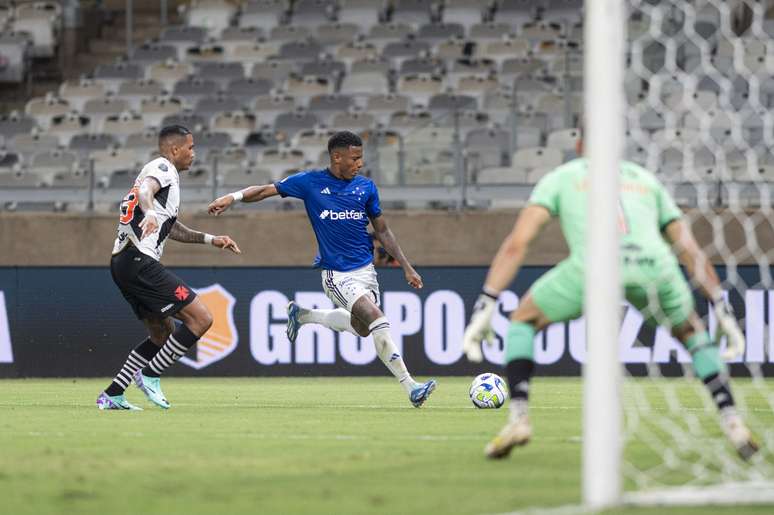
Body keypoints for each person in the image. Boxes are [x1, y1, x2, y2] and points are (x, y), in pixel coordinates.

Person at [462, 133, 758, 460]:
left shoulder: (561, 177)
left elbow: (518, 243)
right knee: (692, 333)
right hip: (654, 267)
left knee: (523, 319)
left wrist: (487, 302)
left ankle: (518, 418)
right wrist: (720, 305)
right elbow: (688, 250)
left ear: (577, 147)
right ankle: (734, 423)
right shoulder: (645, 180)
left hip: (593, 265)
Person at [208, 130, 437, 407]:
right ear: (336, 157)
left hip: (366, 272)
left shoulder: (366, 188)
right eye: (354, 158)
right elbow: (265, 190)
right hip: (336, 274)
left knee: (363, 329)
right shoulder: (310, 182)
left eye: (361, 158)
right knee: (377, 319)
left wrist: (406, 266)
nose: (359, 163)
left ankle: (304, 316)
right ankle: (411, 387)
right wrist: (231, 198)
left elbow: (384, 231)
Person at [97, 125, 241, 411]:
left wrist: (212, 239)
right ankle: (150, 374)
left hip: (123, 263)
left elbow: (171, 227)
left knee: (162, 333)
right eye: (190, 147)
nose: (193, 153)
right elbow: (146, 191)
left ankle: (112, 394)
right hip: (139, 260)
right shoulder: (162, 167)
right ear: (175, 149)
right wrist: (149, 210)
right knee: (201, 318)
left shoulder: (167, 178)